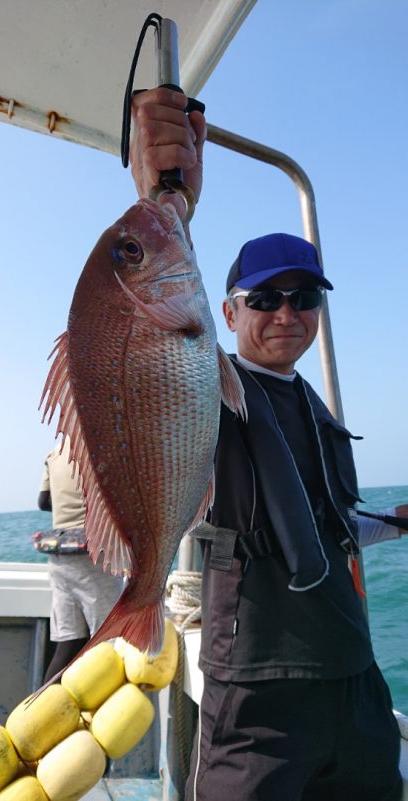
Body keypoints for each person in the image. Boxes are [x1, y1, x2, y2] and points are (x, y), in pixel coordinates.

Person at [128, 87, 408, 801]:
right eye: (265, 298)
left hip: (353, 676)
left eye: (304, 298)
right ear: (226, 311)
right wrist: (167, 201)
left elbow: (322, 528)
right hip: (257, 686)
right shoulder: (209, 384)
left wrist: (391, 525)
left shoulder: (314, 406)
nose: (287, 313)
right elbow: (152, 315)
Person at [38, 436, 123, 682]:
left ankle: (36, 712)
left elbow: (43, 502)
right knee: (107, 645)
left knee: (69, 642)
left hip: (61, 557)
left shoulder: (53, 454)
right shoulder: (104, 448)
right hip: (96, 557)